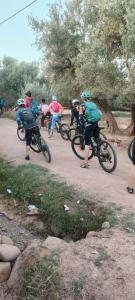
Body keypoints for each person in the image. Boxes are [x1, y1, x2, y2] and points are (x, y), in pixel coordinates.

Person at [80, 91, 102, 168]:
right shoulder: (94, 104)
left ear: (83, 98)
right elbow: (100, 113)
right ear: (89, 98)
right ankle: (103, 152)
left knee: (87, 144)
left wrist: (82, 123)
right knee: (97, 139)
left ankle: (85, 162)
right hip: (96, 123)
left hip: (89, 125)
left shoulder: (83, 105)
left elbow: (81, 116)